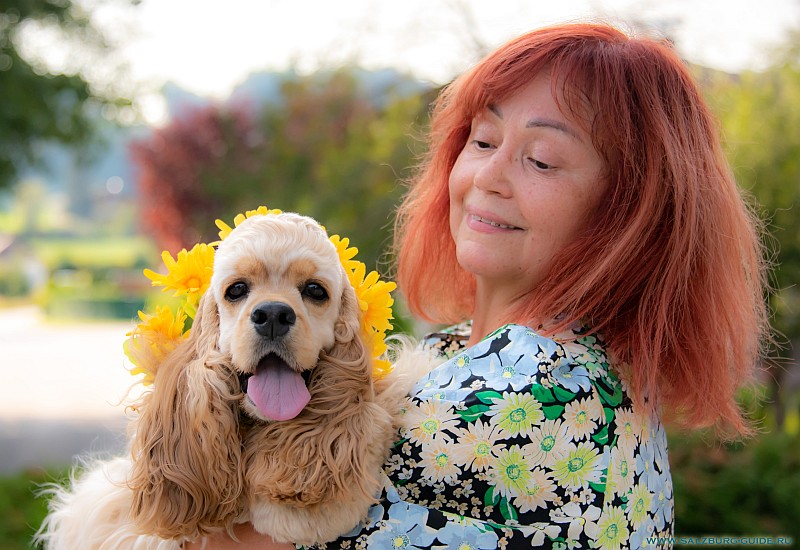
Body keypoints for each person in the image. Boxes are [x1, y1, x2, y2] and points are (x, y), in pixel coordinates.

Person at [191, 22, 770, 549]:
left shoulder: (532, 392)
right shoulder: (481, 348)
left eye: (541, 159)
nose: (488, 177)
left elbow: (217, 534)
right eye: (484, 140)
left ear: (627, 211)